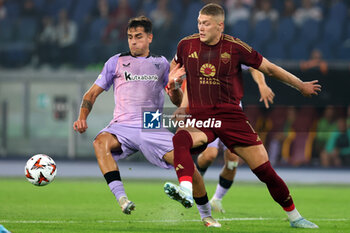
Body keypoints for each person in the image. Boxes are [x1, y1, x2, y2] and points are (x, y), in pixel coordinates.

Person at [164, 3, 321, 229]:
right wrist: (175, 89)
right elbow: (174, 78)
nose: (201, 27)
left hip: (231, 117)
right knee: (180, 138)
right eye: (199, 23)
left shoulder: (236, 47)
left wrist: (299, 85)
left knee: (265, 171)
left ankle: (295, 216)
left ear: (220, 25)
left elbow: (269, 68)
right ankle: (187, 190)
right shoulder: (185, 46)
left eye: (206, 24)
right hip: (201, 116)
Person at [73, 16, 221, 228]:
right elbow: (91, 93)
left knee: (190, 169)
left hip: (151, 124)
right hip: (121, 125)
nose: (133, 41)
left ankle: (206, 216)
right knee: (99, 142)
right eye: (130, 37)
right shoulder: (115, 62)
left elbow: (177, 100)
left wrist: (175, 87)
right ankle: (122, 199)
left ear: (150, 38)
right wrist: (82, 118)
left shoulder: (161, 64)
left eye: (138, 37)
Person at [196, 66, 275, 213]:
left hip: (232, 115)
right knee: (209, 155)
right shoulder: (202, 51)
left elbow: (254, 66)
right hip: (209, 112)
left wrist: (262, 84)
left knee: (232, 161)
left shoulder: (234, 50)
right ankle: (195, 181)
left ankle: (216, 200)